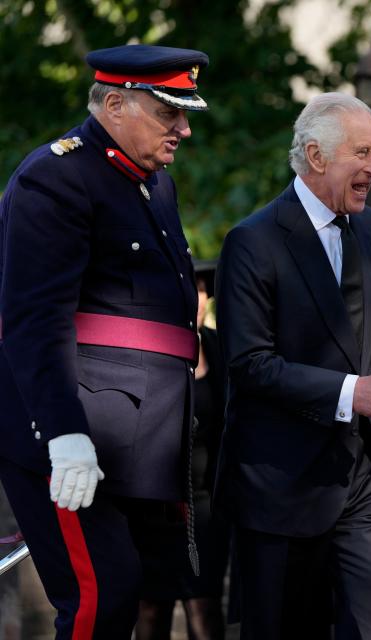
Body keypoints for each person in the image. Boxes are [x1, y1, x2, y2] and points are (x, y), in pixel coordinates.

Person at [0, 44, 208, 639]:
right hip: (75, 434)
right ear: (114, 103)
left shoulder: (152, 185)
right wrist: (63, 434)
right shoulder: (56, 175)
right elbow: (34, 317)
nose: (184, 128)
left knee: (129, 594)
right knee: (100, 595)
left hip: (134, 438)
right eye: (170, 112)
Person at [214, 92, 371, 639]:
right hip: (281, 483)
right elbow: (249, 364)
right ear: (316, 155)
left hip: (363, 475)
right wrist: (353, 391)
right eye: (362, 153)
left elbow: (363, 344)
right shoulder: (252, 242)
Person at [135, 260, 229, 640]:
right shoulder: (145, 350)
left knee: (203, 609)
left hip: (206, 506)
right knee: (151, 608)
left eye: (201, 292)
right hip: (152, 507)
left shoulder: (222, 349)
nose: (194, 300)